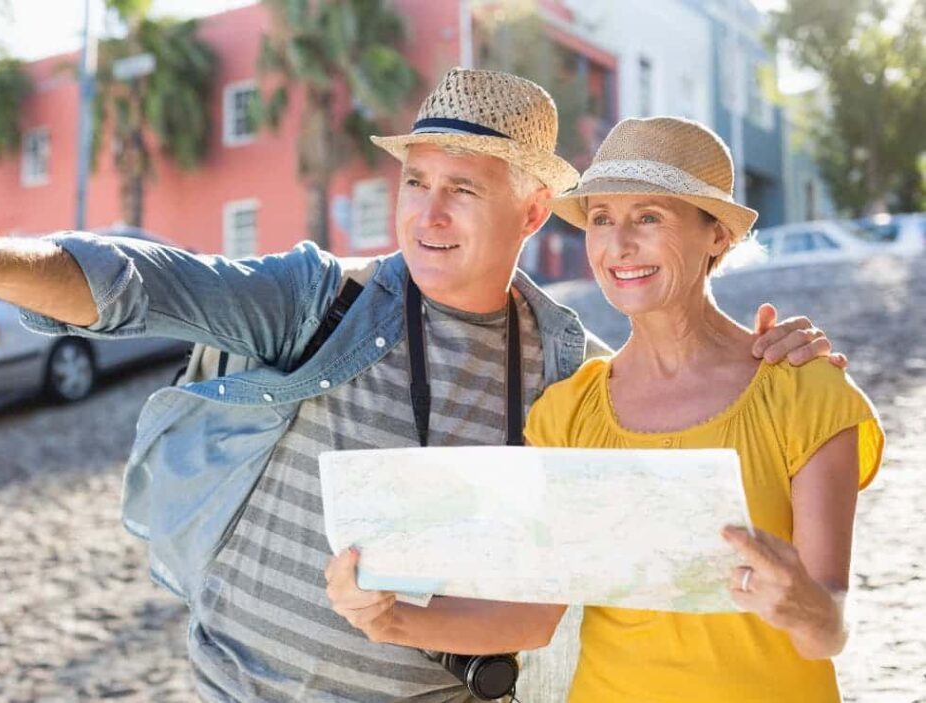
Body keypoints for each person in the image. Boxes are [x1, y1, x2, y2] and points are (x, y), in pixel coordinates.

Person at [0, 71, 840, 703]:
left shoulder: (568, 364)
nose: (428, 215)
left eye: (464, 190)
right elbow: (143, 280)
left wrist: (778, 352)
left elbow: (563, 583)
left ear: (531, 214)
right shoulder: (321, 299)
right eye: (415, 183)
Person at [325, 117, 883, 702]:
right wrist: (387, 620)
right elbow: (532, 618)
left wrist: (802, 606)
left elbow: (829, 630)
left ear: (716, 234)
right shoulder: (567, 413)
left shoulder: (804, 390)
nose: (619, 245)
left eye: (649, 217)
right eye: (601, 219)